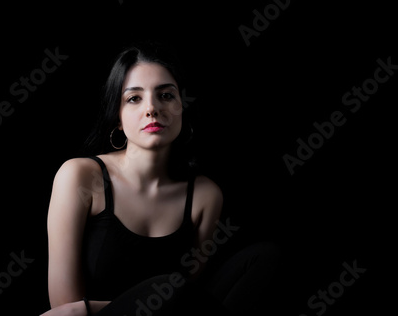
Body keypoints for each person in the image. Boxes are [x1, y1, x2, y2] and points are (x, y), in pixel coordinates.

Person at [41, 41, 280, 316]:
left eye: (166, 96)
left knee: (263, 257)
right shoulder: (80, 176)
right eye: (134, 98)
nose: (152, 108)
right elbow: (64, 310)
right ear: (117, 117)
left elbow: (192, 294)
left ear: (182, 107)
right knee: (169, 288)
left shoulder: (204, 195)